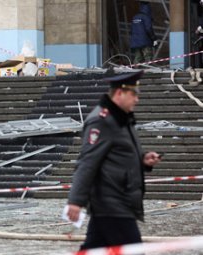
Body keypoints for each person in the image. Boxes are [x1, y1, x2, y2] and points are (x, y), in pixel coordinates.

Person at [66, 71, 161, 251]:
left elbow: (119, 155)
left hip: (116, 202)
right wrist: (76, 201)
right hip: (113, 203)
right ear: (119, 93)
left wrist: (143, 160)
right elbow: (87, 162)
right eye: (133, 94)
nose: (137, 100)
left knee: (93, 249)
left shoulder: (121, 117)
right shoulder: (102, 121)